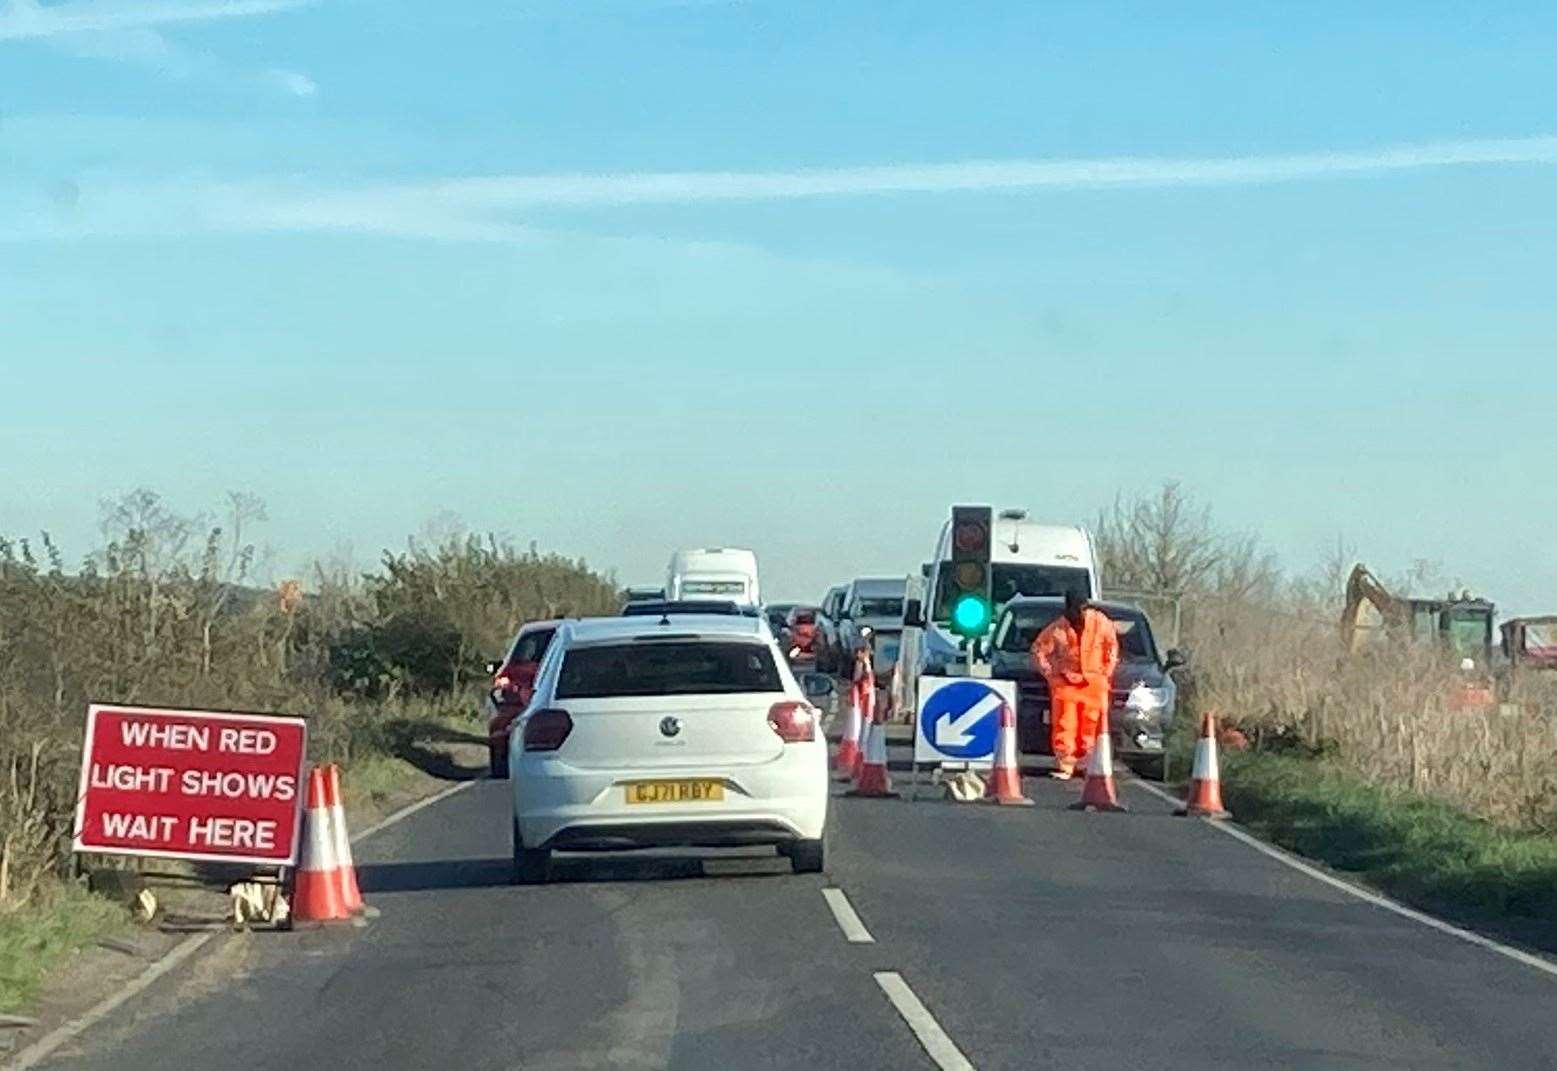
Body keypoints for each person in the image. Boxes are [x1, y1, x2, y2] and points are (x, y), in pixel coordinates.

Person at [1031, 591, 1119, 780]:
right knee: (1065, 724)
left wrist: (1105, 674)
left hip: (1094, 684)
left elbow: (1112, 647)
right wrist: (1052, 675)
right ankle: (1066, 764)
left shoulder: (1101, 622)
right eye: (1075, 610)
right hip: (1066, 685)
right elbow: (1039, 650)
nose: (1080, 614)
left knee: (1092, 724)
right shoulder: (1057, 628)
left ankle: (1089, 763)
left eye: (1083, 609)